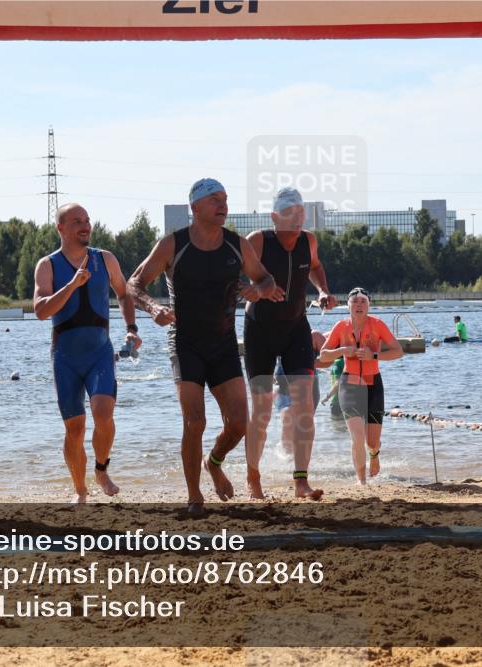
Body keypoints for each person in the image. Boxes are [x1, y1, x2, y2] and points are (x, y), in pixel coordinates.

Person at [127, 178, 278, 515]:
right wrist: (153, 307)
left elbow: (266, 278)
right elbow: (133, 284)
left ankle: (214, 462)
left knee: (239, 422)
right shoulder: (172, 244)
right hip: (185, 343)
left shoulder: (237, 245)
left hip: (223, 343)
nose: (222, 204)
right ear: (194, 207)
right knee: (195, 421)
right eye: (214, 199)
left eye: (225, 198)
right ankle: (195, 496)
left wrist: (259, 290)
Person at [33, 203, 142, 504]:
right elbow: (41, 311)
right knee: (75, 428)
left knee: (103, 413)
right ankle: (80, 488)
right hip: (65, 357)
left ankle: (101, 470)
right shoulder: (48, 265)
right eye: (76, 221)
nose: (85, 226)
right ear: (61, 228)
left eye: (87, 220)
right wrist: (71, 285)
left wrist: (131, 328)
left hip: (100, 352)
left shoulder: (104, 260)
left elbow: (124, 293)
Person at [243, 187, 336, 500]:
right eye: (288, 214)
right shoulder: (258, 241)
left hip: (296, 328)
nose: (296, 219)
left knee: (304, 405)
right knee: (261, 411)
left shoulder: (308, 240)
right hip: (260, 331)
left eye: (300, 213)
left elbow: (315, 266)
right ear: (274, 217)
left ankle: (301, 481)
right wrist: (255, 290)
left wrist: (322, 291)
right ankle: (253, 478)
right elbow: (237, 280)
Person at [319, 287, 404, 484]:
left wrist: (373, 355)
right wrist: (341, 350)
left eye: (363, 302)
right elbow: (323, 355)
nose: (359, 305)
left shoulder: (377, 325)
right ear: (348, 305)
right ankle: (361, 482)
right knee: (357, 438)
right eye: (354, 301)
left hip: (373, 384)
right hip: (349, 385)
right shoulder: (341, 326)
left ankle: (374, 455)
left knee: (371, 443)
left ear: (368, 306)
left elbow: (398, 351)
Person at [271, 330, 328, 454]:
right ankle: (285, 458)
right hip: (281, 384)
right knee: (288, 417)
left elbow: (329, 360)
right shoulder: (276, 333)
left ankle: (298, 461)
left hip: (309, 386)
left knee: (302, 425)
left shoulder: (314, 336)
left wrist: (306, 364)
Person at [320, 355, 346, 420]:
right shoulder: (350, 363)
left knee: (337, 427)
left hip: (337, 403)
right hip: (351, 401)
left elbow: (338, 383)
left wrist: (327, 397)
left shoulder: (337, 363)